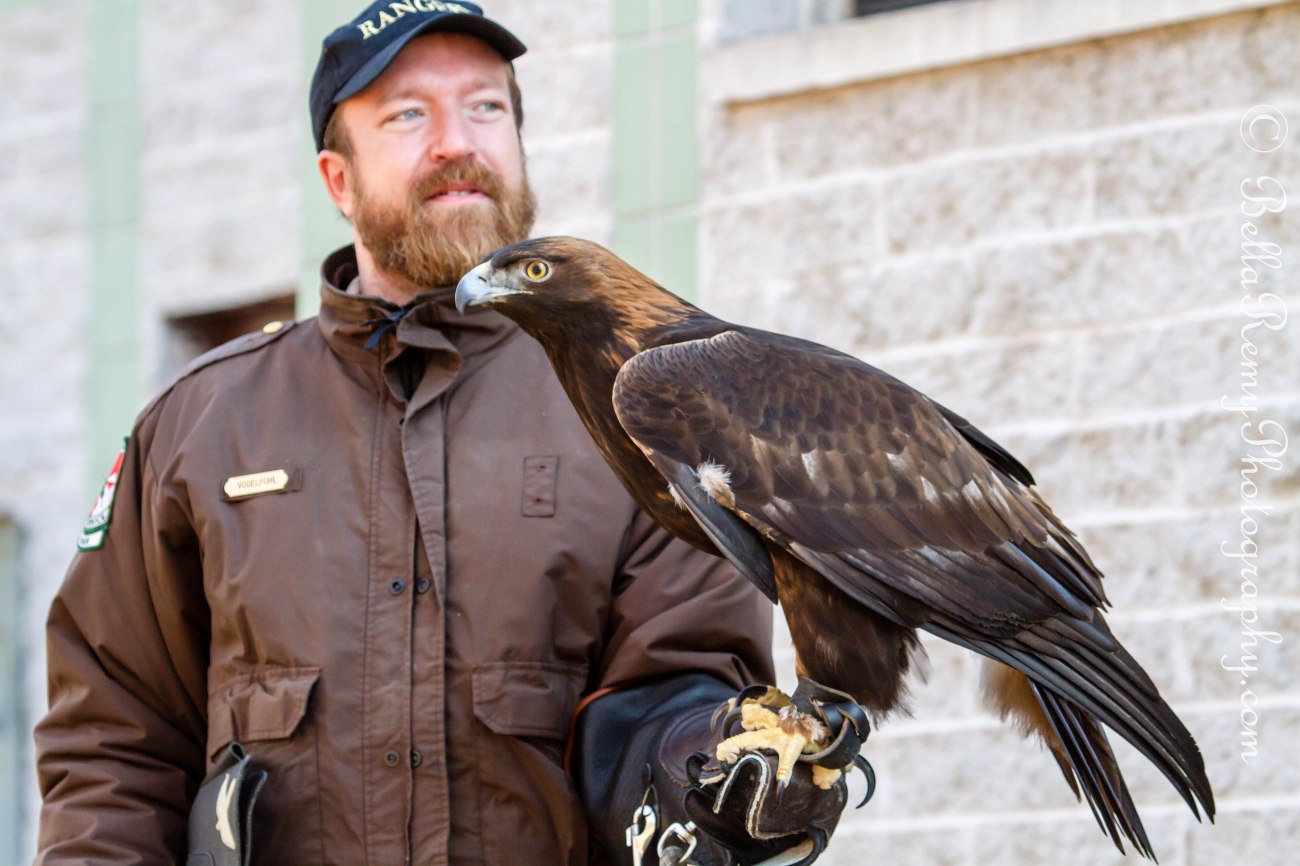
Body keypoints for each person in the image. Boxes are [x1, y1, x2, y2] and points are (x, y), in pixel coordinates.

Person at [34, 3, 850, 863]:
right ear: (337, 180)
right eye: (408, 114)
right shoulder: (203, 423)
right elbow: (111, 743)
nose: (457, 141)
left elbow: (680, 688)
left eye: (487, 106)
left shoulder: (641, 411)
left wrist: (709, 770)